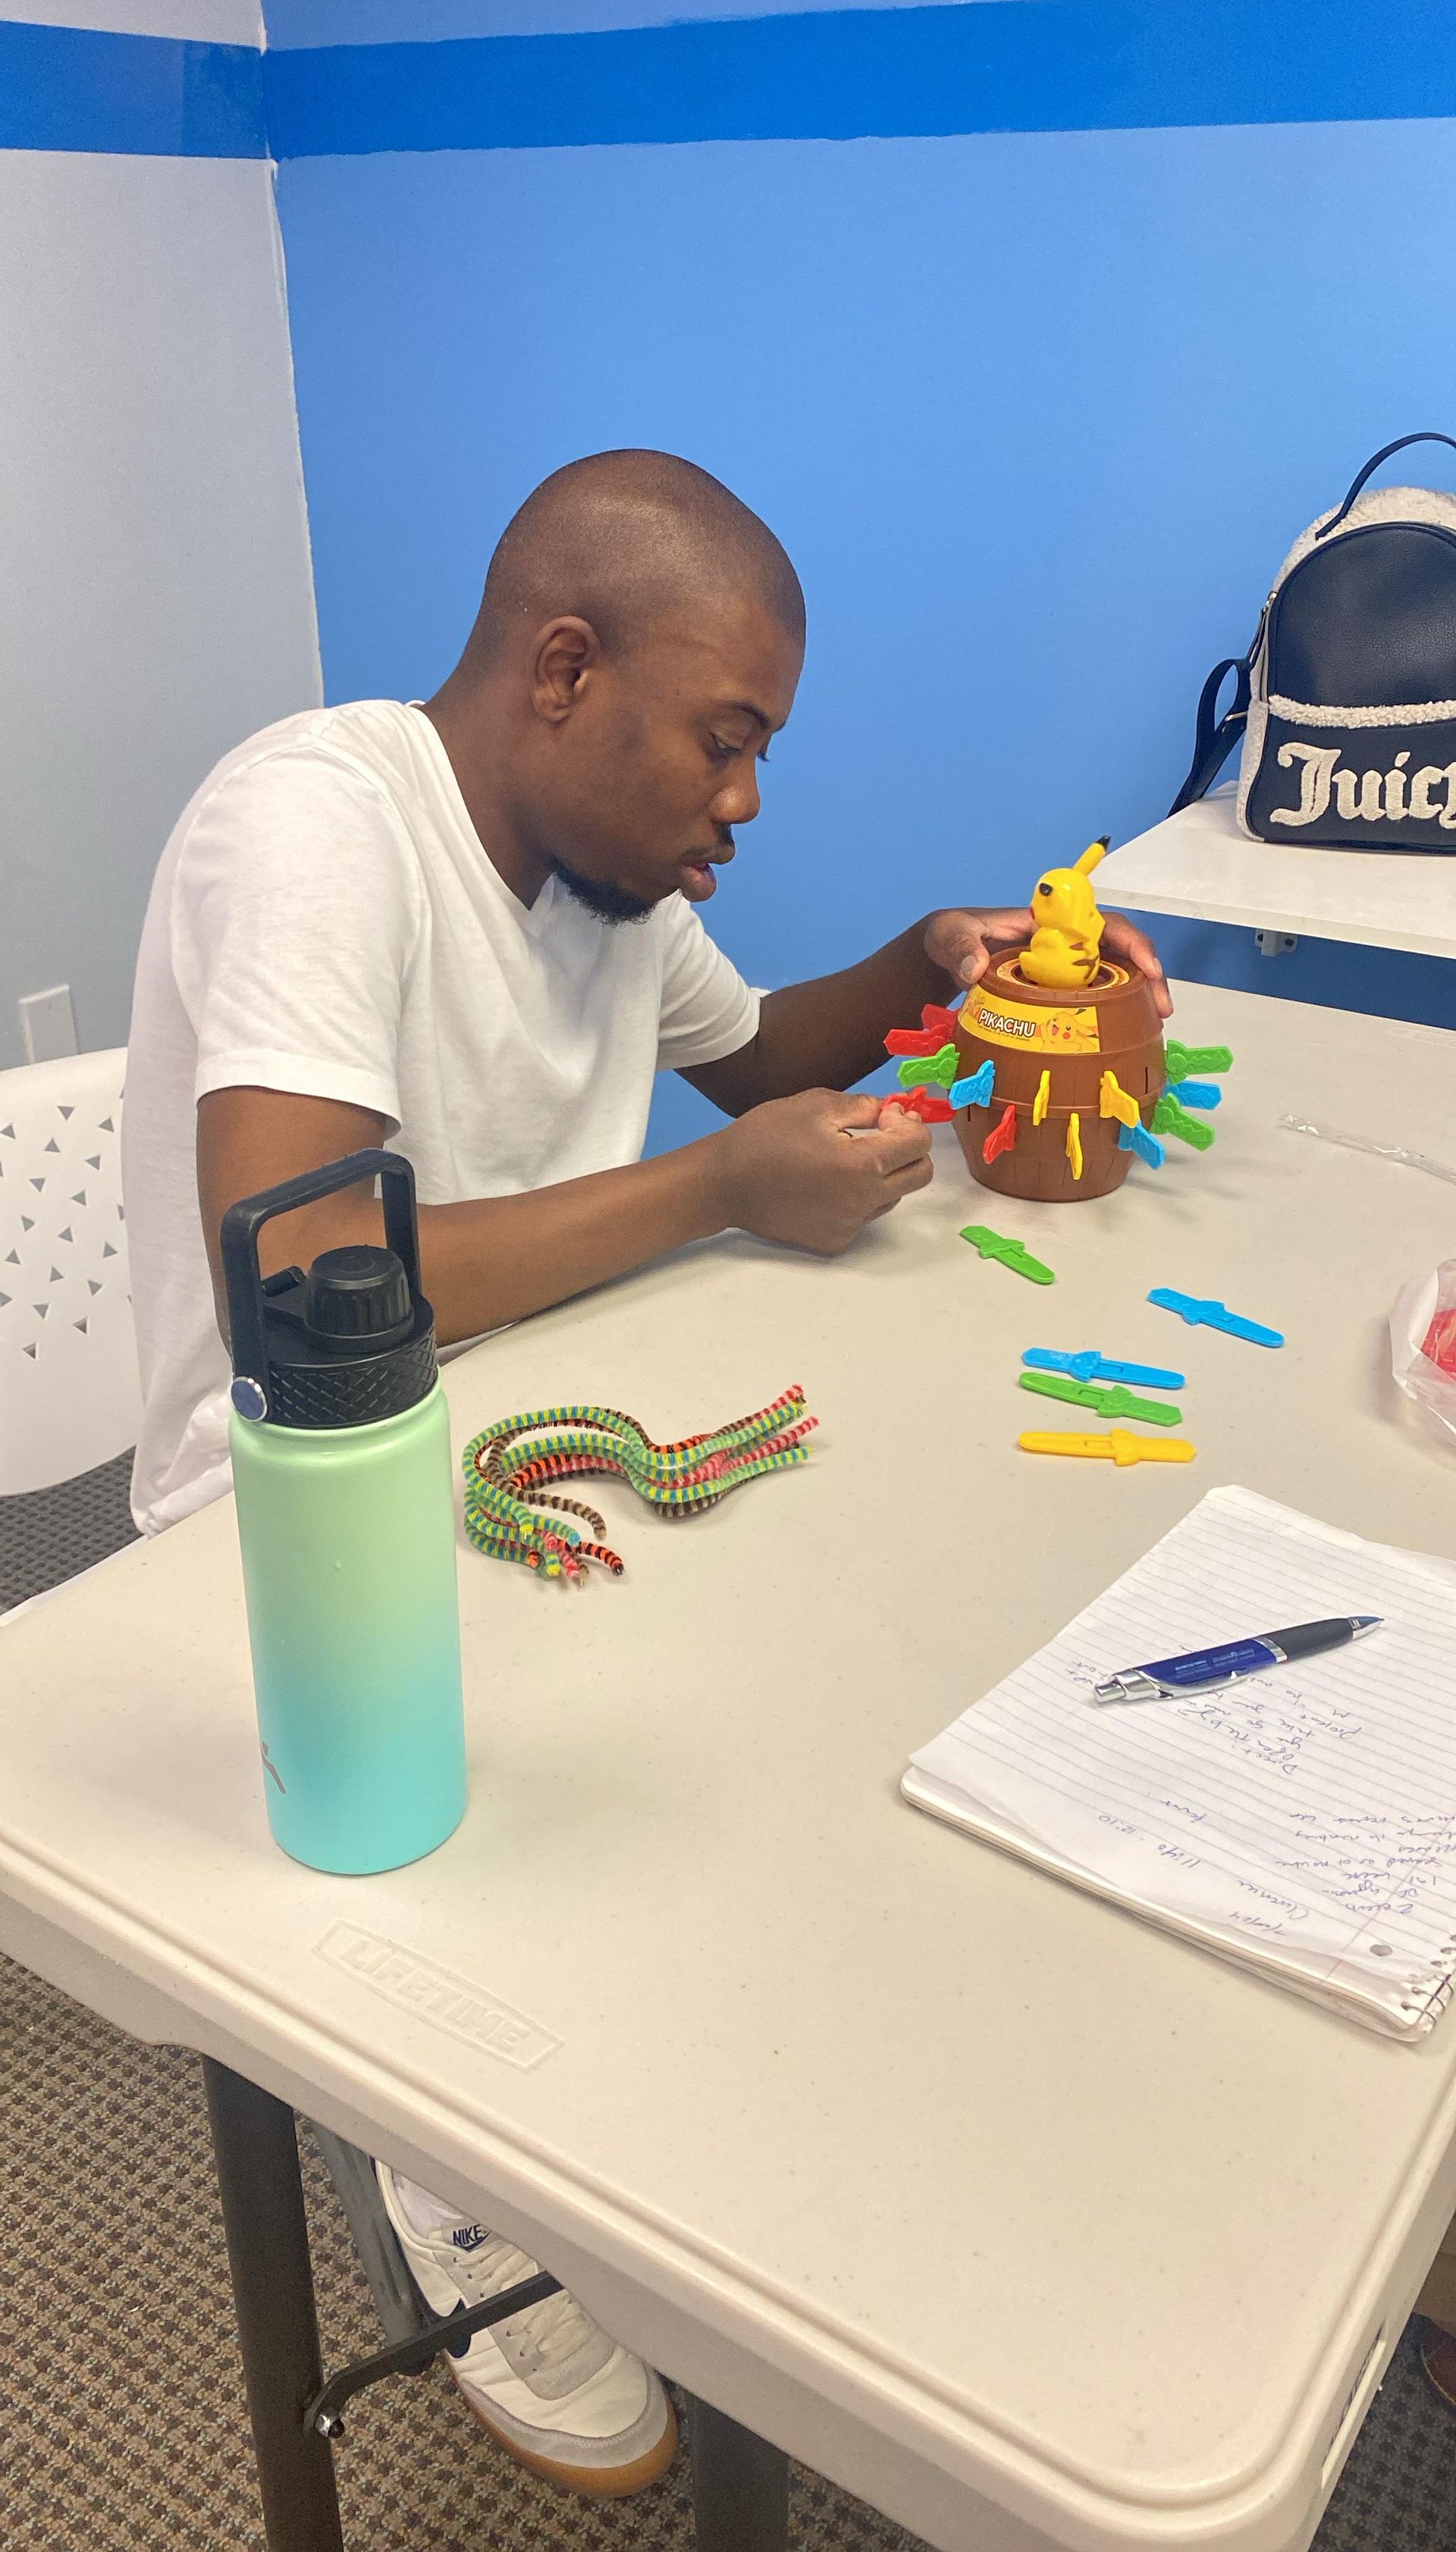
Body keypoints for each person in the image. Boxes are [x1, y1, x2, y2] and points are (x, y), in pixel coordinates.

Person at [123, 449, 1169, 2496]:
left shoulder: (608, 882)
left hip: (543, 1435)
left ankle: (678, 2078)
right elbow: (304, 1284)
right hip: (291, 1516)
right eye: (729, 740)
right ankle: (447, 2146)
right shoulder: (315, 827)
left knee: (847, 1671)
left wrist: (930, 957)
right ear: (566, 671)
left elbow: (776, 1056)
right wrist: (710, 1196)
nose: (745, 802)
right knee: (621, 1819)